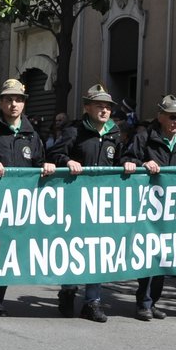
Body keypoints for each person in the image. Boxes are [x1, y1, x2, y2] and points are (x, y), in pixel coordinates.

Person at [0, 78, 55, 317]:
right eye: (8, 100)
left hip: (21, 206)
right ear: (1, 103)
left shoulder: (32, 135)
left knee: (9, 254)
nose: (13, 104)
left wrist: (45, 166)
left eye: (18, 99)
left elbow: (37, 163)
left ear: (24, 103)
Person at [122, 94, 176, 320]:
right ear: (160, 116)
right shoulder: (144, 138)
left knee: (163, 257)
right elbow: (127, 160)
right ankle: (143, 302)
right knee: (149, 257)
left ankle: (153, 302)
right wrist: (143, 164)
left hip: (172, 209)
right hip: (148, 207)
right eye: (172, 117)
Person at [50, 84, 124, 322]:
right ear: (87, 107)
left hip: (104, 203)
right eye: (99, 105)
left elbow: (124, 159)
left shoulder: (115, 134)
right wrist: (68, 160)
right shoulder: (74, 132)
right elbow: (53, 156)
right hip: (76, 200)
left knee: (98, 250)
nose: (104, 110)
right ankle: (68, 291)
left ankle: (92, 301)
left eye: (107, 106)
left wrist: (131, 163)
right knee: (74, 248)